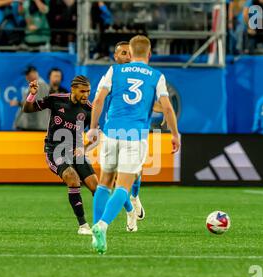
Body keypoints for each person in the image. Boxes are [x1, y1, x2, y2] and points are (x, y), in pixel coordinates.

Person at [88, 35, 180, 254]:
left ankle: (95, 231)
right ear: (149, 54)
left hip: (111, 132)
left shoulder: (114, 71)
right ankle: (102, 226)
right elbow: (166, 107)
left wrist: (93, 128)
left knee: (104, 183)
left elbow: (98, 99)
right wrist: (175, 133)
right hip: (135, 135)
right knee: (123, 186)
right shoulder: (156, 76)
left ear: (130, 51)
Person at [22, 75, 98, 235]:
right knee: (72, 177)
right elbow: (27, 109)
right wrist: (32, 94)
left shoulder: (90, 110)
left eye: (89, 91)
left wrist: (84, 148)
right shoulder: (56, 100)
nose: (86, 95)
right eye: (83, 91)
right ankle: (83, 226)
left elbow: (96, 137)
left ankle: (101, 224)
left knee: (96, 186)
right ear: (73, 89)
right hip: (54, 150)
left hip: (76, 152)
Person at [94, 40, 148, 233]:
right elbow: (98, 99)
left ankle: (134, 198)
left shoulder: (141, 77)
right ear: (116, 57)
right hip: (113, 131)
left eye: (129, 53)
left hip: (135, 129)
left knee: (135, 174)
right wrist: (95, 125)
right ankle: (130, 211)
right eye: (123, 53)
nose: (127, 56)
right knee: (116, 178)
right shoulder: (111, 75)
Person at [13, 65, 50, 131]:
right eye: (26, 74)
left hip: (35, 126)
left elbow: (36, 104)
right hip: (33, 125)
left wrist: (19, 103)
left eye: (28, 74)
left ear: (34, 72)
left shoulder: (40, 85)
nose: (26, 77)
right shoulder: (35, 84)